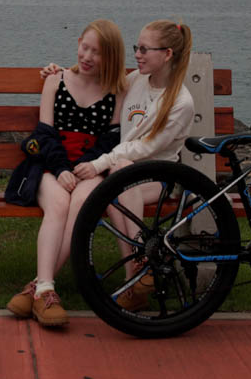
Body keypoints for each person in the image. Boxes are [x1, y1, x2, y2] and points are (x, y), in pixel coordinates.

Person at [45, 18, 197, 312]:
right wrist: (60, 73)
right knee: (117, 185)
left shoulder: (180, 102)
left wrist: (100, 162)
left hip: (159, 176)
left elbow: (145, 148)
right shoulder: (136, 81)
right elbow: (97, 79)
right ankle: (137, 277)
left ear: (167, 54)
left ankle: (142, 256)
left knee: (120, 175)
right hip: (123, 172)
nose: (137, 55)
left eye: (145, 50)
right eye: (136, 47)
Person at [5, 19, 126, 327]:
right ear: (77, 43)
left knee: (81, 204)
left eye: (97, 53)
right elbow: (44, 134)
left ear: (110, 56)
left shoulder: (117, 90)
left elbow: (110, 139)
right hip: (49, 164)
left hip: (90, 168)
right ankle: (46, 291)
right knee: (58, 204)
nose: (87, 57)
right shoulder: (56, 79)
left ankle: (38, 288)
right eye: (84, 47)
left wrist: (89, 166)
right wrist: (60, 170)